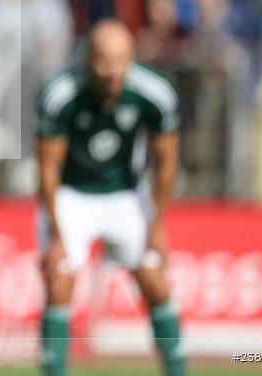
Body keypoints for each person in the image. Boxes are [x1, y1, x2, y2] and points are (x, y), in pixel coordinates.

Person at [35, 20, 186, 376]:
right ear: (88, 60)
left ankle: (177, 370)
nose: (112, 71)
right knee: (59, 280)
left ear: (133, 58)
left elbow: (166, 164)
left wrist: (158, 225)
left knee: (156, 281)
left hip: (127, 195)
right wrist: (56, 235)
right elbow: (47, 170)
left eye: (120, 60)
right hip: (71, 195)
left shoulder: (155, 93)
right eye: (103, 60)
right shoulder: (60, 94)